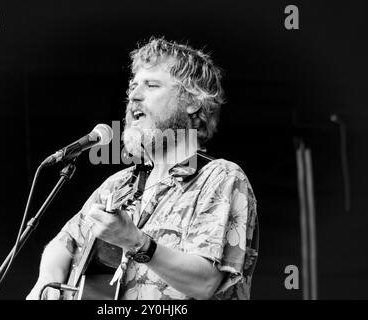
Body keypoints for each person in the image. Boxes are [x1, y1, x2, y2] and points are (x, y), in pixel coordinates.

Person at [26, 37, 258, 300]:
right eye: (133, 86)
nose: (134, 95)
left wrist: (136, 242)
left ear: (193, 101)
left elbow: (204, 283)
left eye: (152, 85)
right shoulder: (118, 185)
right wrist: (47, 280)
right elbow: (64, 242)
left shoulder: (221, 177)